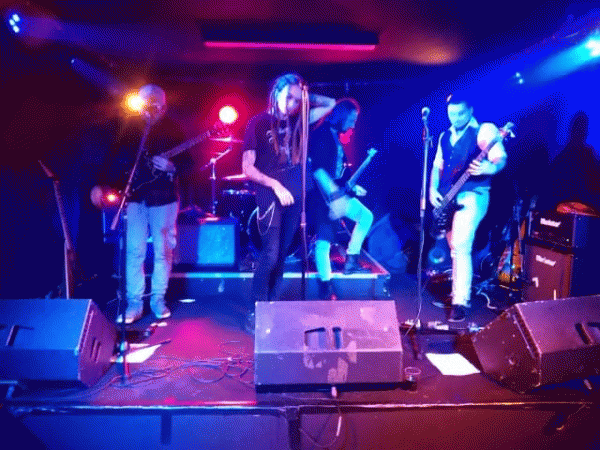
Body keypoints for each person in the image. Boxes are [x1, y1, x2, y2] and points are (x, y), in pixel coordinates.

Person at [241, 73, 335, 323]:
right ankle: (257, 309)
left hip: (295, 196)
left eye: (297, 100)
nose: (292, 104)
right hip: (270, 195)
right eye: (289, 97)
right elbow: (247, 167)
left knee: (283, 253)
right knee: (270, 253)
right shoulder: (258, 123)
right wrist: (274, 185)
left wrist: (305, 94)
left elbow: (330, 104)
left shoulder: (299, 122)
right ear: (276, 92)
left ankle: (272, 304)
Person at [112, 84, 189, 324]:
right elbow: (115, 157)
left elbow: (191, 163)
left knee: (163, 251)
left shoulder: (173, 129)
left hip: (164, 199)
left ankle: (158, 299)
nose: (151, 108)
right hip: (136, 198)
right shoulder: (129, 128)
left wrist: (173, 167)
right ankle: (134, 303)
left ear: (163, 107)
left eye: (156, 103)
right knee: (134, 251)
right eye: (147, 102)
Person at [429, 93, 507, 322]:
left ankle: (460, 302)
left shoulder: (484, 130)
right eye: (451, 114)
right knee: (455, 247)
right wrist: (432, 189)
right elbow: (437, 165)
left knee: (461, 244)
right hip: (448, 196)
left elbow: (500, 157)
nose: (455, 118)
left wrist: (489, 168)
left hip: (474, 194)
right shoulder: (444, 135)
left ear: (471, 110)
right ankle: (458, 291)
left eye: (460, 113)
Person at [308, 98, 374, 299]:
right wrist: (336, 197)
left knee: (365, 216)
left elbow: (337, 173)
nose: (353, 125)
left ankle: (351, 260)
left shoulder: (334, 136)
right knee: (323, 242)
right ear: (341, 116)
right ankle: (326, 285)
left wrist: (352, 188)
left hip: (338, 195)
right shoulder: (321, 135)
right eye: (351, 120)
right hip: (323, 198)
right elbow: (318, 171)